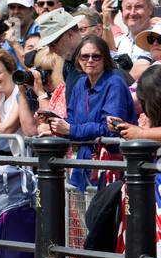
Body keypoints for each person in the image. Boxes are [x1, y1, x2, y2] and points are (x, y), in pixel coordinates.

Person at [45, 35, 135, 189]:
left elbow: (111, 128)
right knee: (82, 212)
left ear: (105, 58)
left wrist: (71, 129)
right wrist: (54, 123)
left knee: (106, 212)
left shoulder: (115, 83)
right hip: (85, 163)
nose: (90, 60)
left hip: (112, 164)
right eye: (85, 56)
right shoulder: (80, 84)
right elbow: (72, 120)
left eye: (96, 56)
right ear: (78, 60)